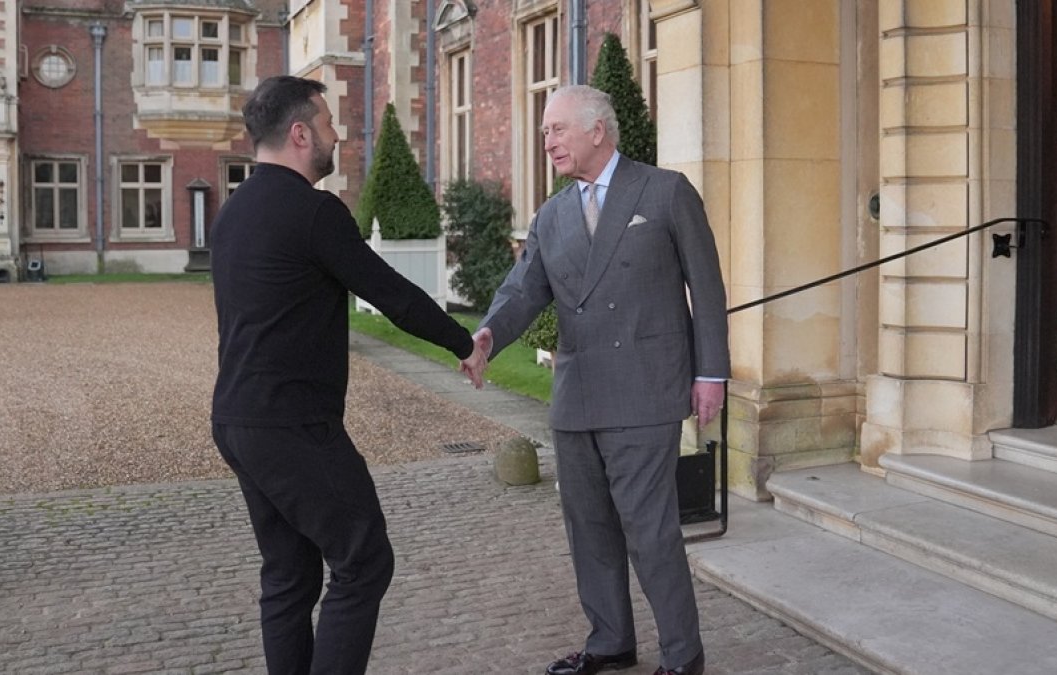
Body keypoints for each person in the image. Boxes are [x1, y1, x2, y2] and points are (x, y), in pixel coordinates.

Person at [210, 75, 486, 675]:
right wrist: (463, 341)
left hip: (237, 418)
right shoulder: (314, 211)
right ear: (301, 133)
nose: (340, 136)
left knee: (289, 573)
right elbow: (389, 292)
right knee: (364, 561)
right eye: (330, 123)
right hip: (293, 424)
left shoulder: (231, 213)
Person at [461, 84, 729, 675]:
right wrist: (484, 338)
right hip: (577, 394)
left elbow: (706, 290)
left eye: (556, 129)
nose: (547, 139)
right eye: (546, 131)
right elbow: (523, 290)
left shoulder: (664, 192)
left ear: (597, 130)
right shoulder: (552, 214)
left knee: (649, 530)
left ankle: (683, 657)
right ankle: (611, 640)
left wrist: (712, 373)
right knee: (589, 528)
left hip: (646, 389)